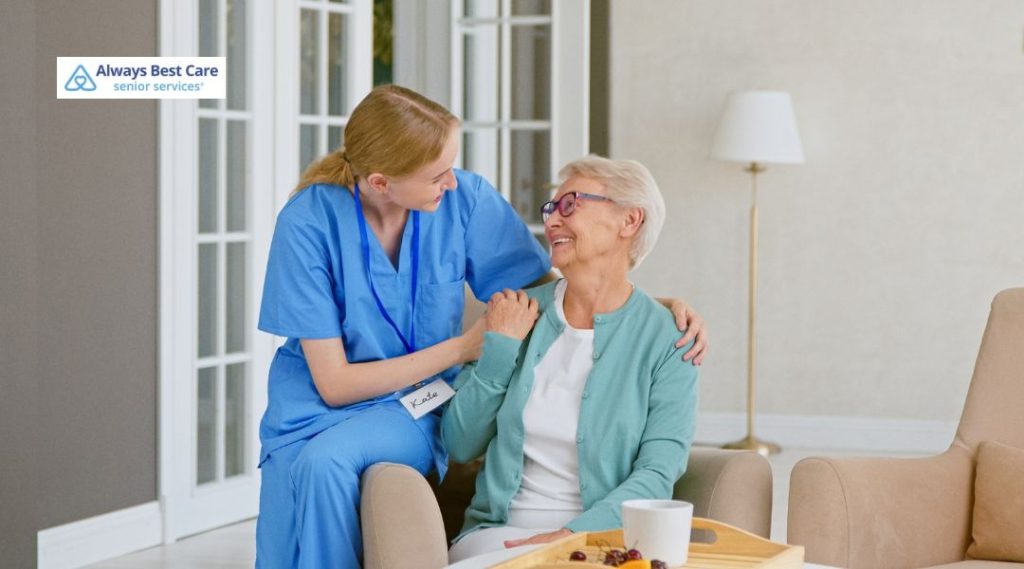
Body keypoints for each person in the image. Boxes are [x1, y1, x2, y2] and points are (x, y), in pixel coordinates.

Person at [255, 85, 708, 568]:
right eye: (436, 173)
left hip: (411, 404)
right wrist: (465, 348)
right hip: (317, 402)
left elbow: (554, 285)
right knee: (291, 506)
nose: (452, 180)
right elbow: (334, 382)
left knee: (325, 464)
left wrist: (647, 309)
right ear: (383, 182)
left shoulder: (464, 199)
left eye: (452, 164)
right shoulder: (308, 222)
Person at [443, 156, 700, 562]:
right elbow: (459, 443)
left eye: (570, 205)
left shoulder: (670, 340)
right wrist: (500, 351)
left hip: (606, 541)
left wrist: (570, 536)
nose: (551, 222)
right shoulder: (516, 313)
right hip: (500, 536)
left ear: (629, 221)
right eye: (550, 209)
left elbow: (657, 471)